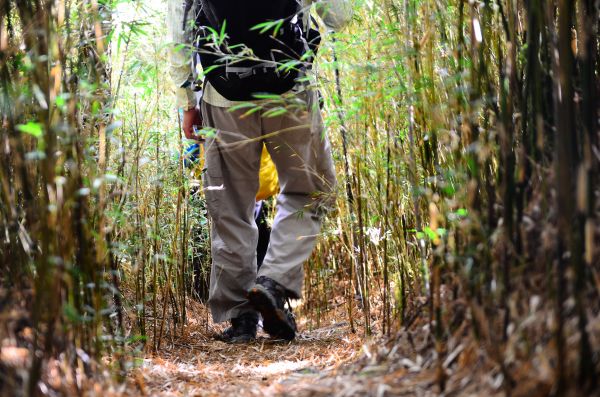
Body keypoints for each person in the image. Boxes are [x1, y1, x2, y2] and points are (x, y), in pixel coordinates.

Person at [168, 0, 353, 343]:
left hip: (225, 93)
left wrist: (187, 101)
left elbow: (179, 26)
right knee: (310, 190)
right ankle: (273, 280)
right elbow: (338, 16)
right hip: (289, 87)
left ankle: (242, 318)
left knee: (230, 208)